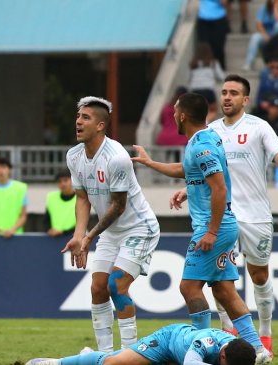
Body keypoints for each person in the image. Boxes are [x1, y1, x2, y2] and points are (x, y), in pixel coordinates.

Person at [167, 76, 278, 353]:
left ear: (245, 100)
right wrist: (188, 189)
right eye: (223, 92)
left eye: (234, 93)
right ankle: (229, 338)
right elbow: (208, 171)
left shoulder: (259, 127)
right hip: (223, 218)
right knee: (220, 281)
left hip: (256, 215)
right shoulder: (211, 131)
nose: (227, 97)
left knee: (258, 275)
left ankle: (265, 332)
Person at [131, 92, 272, 364]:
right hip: (223, 226)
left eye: (174, 111)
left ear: (183, 115)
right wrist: (150, 163)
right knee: (223, 290)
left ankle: (201, 343)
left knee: (189, 288)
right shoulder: (204, 140)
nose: (172, 115)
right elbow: (188, 170)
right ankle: (258, 350)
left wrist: (211, 232)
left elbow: (219, 188)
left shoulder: (202, 144)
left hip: (213, 228)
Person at [62, 96, 160, 352]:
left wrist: (90, 236)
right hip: (111, 231)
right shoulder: (73, 156)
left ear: (100, 126)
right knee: (97, 288)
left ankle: (130, 354)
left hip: (140, 227)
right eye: (78, 116)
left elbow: (118, 206)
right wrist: (78, 235)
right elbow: (82, 197)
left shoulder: (116, 157)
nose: (78, 122)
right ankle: (105, 355)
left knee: (116, 284)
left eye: (86, 117)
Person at [26, 323, 256, 365]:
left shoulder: (240, 352)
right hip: (168, 342)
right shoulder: (206, 344)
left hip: (179, 354)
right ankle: (55, 363)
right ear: (222, 356)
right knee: (114, 363)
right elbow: (190, 362)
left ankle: (90, 354)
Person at [242, 0, 278, 71]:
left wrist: (276, 7)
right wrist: (265, 35)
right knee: (255, 37)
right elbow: (259, 24)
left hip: (277, 37)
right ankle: (248, 63)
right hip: (265, 34)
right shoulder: (263, 8)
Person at [189, 43, 225, 122]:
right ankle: (207, 121)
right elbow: (221, 76)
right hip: (208, 91)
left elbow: (189, 77)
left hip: (195, 91)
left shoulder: (193, 64)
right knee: (214, 110)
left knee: (197, 111)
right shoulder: (213, 63)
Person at [45, 169, 76, 237]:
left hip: (73, 238)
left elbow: (83, 222)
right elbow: (46, 219)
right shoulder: (51, 197)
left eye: (65, 180)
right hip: (54, 239)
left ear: (72, 180)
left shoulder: (80, 198)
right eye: (59, 181)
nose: (63, 184)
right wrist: (49, 230)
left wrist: (63, 232)